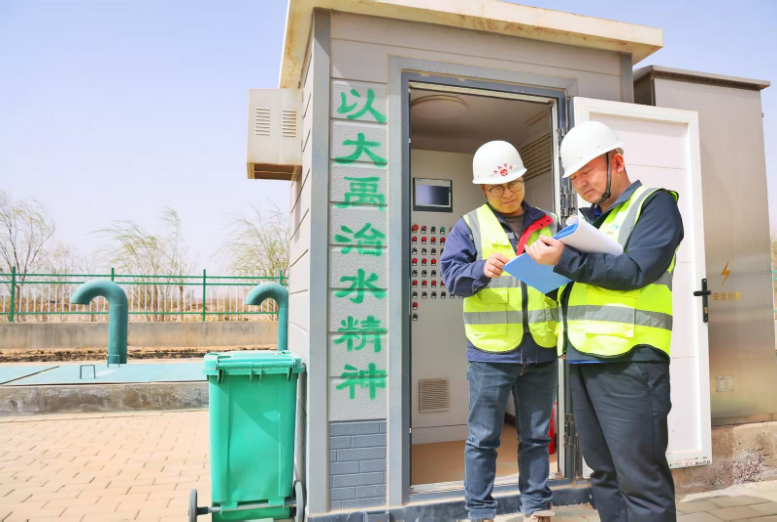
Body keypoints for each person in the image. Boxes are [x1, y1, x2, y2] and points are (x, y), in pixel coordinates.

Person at [526, 121, 683, 521]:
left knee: (641, 480)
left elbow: (636, 271)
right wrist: (545, 274)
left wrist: (565, 259)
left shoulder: (654, 205)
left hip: (631, 362)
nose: (581, 183)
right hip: (583, 360)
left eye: (588, 171)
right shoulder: (586, 223)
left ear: (617, 161)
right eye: (574, 177)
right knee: (605, 476)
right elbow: (580, 288)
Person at [441, 140, 559, 522]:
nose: (508, 193)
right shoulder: (469, 226)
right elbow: (451, 277)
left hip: (541, 347)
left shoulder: (550, 222)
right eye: (497, 187)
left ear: (523, 180)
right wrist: (479, 269)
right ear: (483, 189)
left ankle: (537, 507)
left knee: (537, 437)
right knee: (483, 439)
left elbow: (569, 276)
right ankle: (480, 511)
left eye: (514, 183)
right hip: (491, 353)